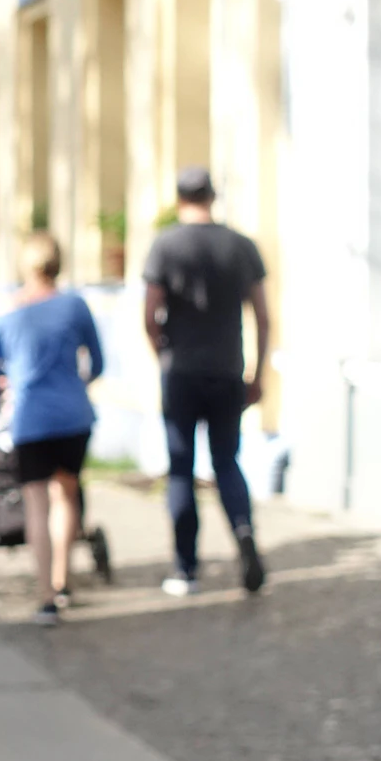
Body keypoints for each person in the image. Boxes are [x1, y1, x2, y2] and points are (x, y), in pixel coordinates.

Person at [142, 167, 269, 597]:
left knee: (181, 469)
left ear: (179, 200)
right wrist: (258, 372)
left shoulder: (166, 246)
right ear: (212, 196)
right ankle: (244, 532)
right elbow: (264, 316)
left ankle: (185, 569)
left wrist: (161, 351)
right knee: (227, 461)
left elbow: (150, 311)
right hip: (228, 370)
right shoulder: (241, 246)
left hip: (181, 373)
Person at [0, 231, 105, 626]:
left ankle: (46, 595)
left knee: (37, 502)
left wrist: (4, 384)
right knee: (67, 495)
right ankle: (63, 580)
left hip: (31, 418)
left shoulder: (4, 313)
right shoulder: (75, 307)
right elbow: (97, 362)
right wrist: (75, 386)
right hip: (74, 416)